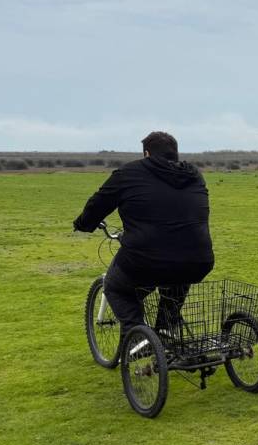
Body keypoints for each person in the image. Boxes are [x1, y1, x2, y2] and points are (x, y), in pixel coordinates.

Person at [73, 131, 214, 341]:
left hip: (147, 258)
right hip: (198, 258)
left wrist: (83, 224)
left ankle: (139, 339)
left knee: (115, 287)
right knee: (177, 275)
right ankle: (166, 328)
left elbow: (99, 202)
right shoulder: (194, 174)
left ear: (147, 153)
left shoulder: (129, 173)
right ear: (175, 153)